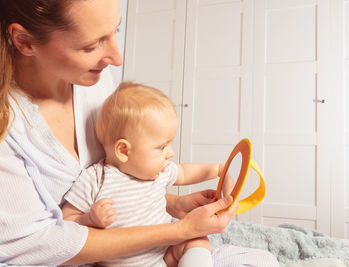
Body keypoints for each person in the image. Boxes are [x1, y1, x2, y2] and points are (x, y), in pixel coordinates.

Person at [0, 0, 238, 266]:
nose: (117, 58)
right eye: (92, 46)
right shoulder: (8, 127)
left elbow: (114, 177)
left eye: (117, 30)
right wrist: (180, 230)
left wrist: (169, 204)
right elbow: (35, 246)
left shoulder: (93, 84)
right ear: (24, 41)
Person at [62, 82, 235, 267]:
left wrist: (217, 169)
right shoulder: (95, 180)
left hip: (163, 257)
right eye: (162, 147)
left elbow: (184, 172)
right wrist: (89, 220)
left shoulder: (159, 172)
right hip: (120, 264)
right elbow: (66, 224)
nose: (171, 153)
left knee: (197, 240)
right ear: (124, 151)